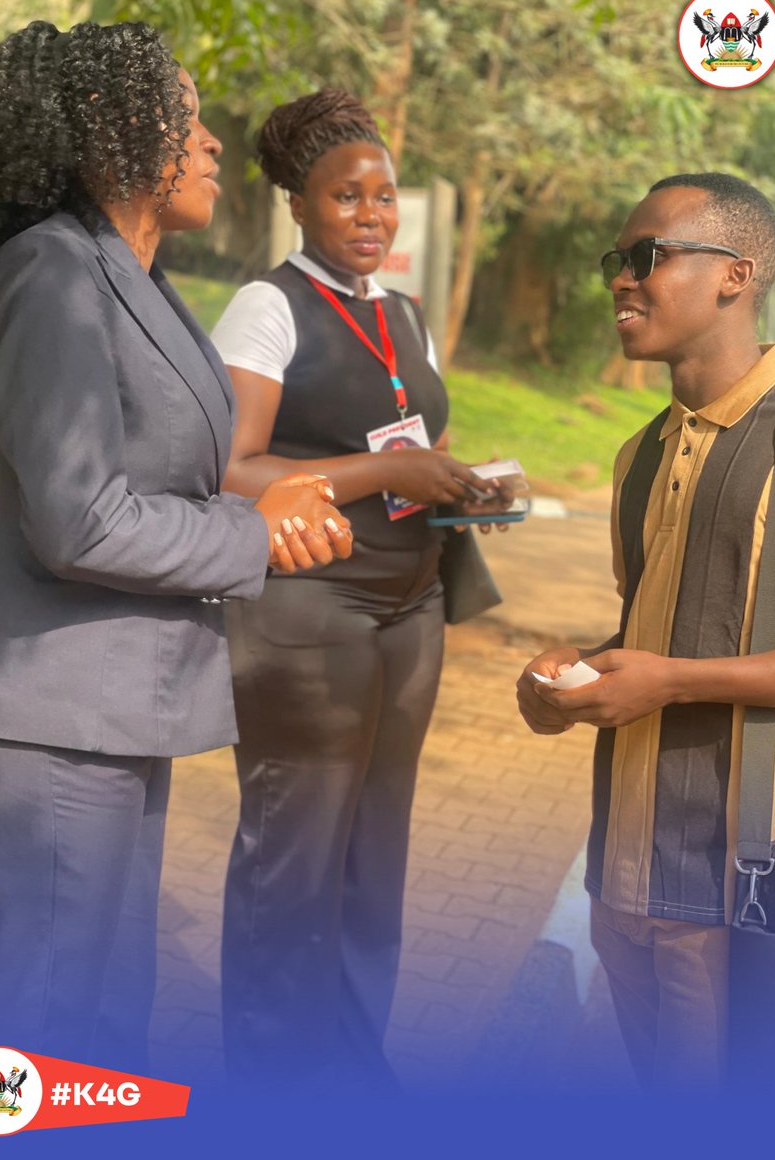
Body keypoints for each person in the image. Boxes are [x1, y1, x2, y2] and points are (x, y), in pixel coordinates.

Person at [0, 20, 351, 1075]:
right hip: (43, 710)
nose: (209, 145)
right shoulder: (50, 271)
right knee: (48, 1029)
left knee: (106, 1018)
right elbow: (79, 516)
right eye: (188, 120)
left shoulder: (139, 280)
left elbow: (173, 472)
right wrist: (254, 530)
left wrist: (273, 503)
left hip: (110, 705)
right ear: (116, 137)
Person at [211, 89, 514, 1087]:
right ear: (301, 203)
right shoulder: (269, 306)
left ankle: (352, 1067)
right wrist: (385, 474)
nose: (373, 215)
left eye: (385, 197)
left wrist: (456, 481)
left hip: (410, 603)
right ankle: (268, 1078)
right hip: (309, 609)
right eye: (349, 197)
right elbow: (231, 467)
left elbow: (410, 440)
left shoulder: (404, 314)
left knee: (376, 845)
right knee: (296, 849)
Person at [516, 172, 775, 1092]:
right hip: (624, 875)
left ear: (738, 271)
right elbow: (656, 627)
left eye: (646, 257)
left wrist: (674, 682)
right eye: (618, 261)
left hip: (752, 888)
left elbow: (677, 666)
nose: (620, 280)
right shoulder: (637, 453)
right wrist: (568, 686)